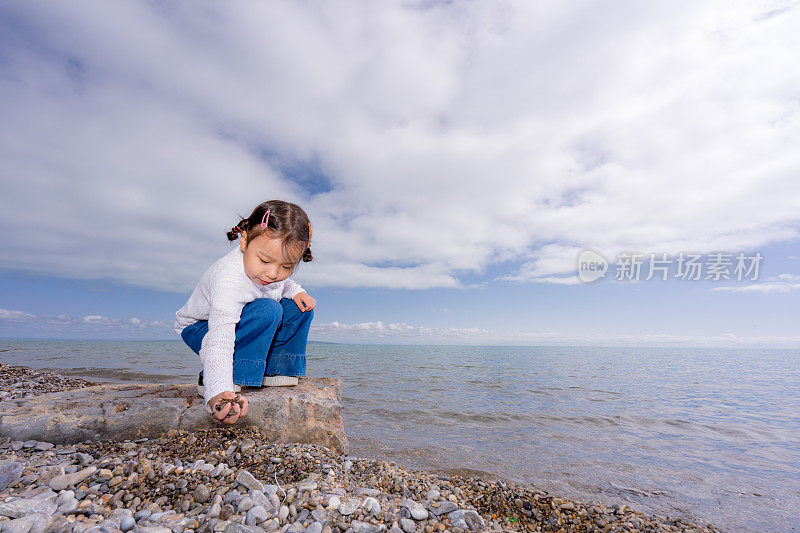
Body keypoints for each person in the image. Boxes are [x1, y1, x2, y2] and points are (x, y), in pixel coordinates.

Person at [173, 200, 317, 425]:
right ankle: (231, 376)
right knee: (268, 310)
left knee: (300, 308)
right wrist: (218, 391)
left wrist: (297, 291)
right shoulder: (229, 280)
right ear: (244, 241)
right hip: (201, 327)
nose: (272, 273)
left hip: (245, 319)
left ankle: (276, 369)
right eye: (265, 260)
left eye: (286, 266)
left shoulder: (268, 272)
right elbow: (219, 338)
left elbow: (281, 285)